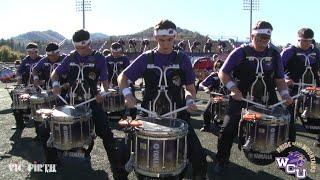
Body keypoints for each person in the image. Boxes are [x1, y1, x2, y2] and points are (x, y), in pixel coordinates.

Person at [118, 19, 207, 179]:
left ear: (175, 37)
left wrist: (190, 100)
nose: (165, 44)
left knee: (199, 159)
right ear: (155, 38)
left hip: (177, 116)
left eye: (169, 40)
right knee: (121, 157)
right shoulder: (146, 58)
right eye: (161, 40)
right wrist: (127, 94)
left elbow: (190, 89)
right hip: (147, 116)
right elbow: (122, 77)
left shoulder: (183, 59)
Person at [215, 21, 293, 174]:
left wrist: (285, 94)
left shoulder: (274, 54)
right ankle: (222, 160)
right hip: (241, 97)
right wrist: (233, 89)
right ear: (252, 36)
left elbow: (279, 80)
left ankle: (284, 160)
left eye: (265, 39)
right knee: (228, 128)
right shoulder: (240, 52)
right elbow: (223, 73)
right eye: (259, 38)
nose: (262, 42)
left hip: (267, 97)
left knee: (288, 127)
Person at [51, 29, 128, 179]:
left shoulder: (99, 58)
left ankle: (117, 167)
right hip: (72, 102)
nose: (81, 51)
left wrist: (103, 94)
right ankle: (53, 161)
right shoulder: (70, 57)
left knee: (106, 133)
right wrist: (55, 84)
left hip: (92, 101)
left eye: (83, 48)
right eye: (78, 48)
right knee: (52, 127)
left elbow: (105, 84)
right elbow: (55, 73)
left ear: (89, 43)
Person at [281, 28, 320, 145]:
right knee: (290, 117)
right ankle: (290, 142)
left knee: (318, 113)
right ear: (298, 39)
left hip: (313, 89)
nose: (306, 44)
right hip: (293, 89)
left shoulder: (316, 52)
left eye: (309, 41)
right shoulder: (289, 51)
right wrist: (285, 78)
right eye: (303, 41)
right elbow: (278, 69)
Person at [32, 42, 68, 141]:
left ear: (58, 52)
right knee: (40, 111)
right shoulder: (44, 60)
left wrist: (66, 85)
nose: (51, 58)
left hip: (63, 92)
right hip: (47, 91)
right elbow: (34, 69)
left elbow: (73, 76)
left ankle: (60, 135)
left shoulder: (66, 59)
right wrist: (35, 78)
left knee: (60, 114)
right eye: (49, 55)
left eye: (54, 55)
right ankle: (40, 135)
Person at [12, 43, 42, 130]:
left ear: (37, 51)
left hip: (40, 88)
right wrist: (19, 79)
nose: (31, 54)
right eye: (29, 52)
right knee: (16, 106)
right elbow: (18, 71)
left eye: (33, 52)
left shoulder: (43, 59)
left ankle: (39, 130)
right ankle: (20, 125)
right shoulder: (25, 60)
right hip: (27, 88)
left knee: (38, 108)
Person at [106, 42, 137, 120]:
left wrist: (127, 83)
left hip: (123, 81)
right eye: (114, 52)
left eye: (117, 52)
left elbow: (127, 72)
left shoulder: (125, 59)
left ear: (120, 51)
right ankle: (111, 113)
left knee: (131, 94)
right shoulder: (107, 59)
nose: (116, 54)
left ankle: (133, 116)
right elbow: (105, 72)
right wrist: (108, 82)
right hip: (111, 82)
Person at [199, 59, 226, 132]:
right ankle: (206, 126)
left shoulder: (228, 75)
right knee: (206, 112)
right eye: (217, 67)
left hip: (227, 98)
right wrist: (205, 88)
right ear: (215, 68)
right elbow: (201, 84)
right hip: (215, 98)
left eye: (221, 66)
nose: (219, 68)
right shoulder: (213, 75)